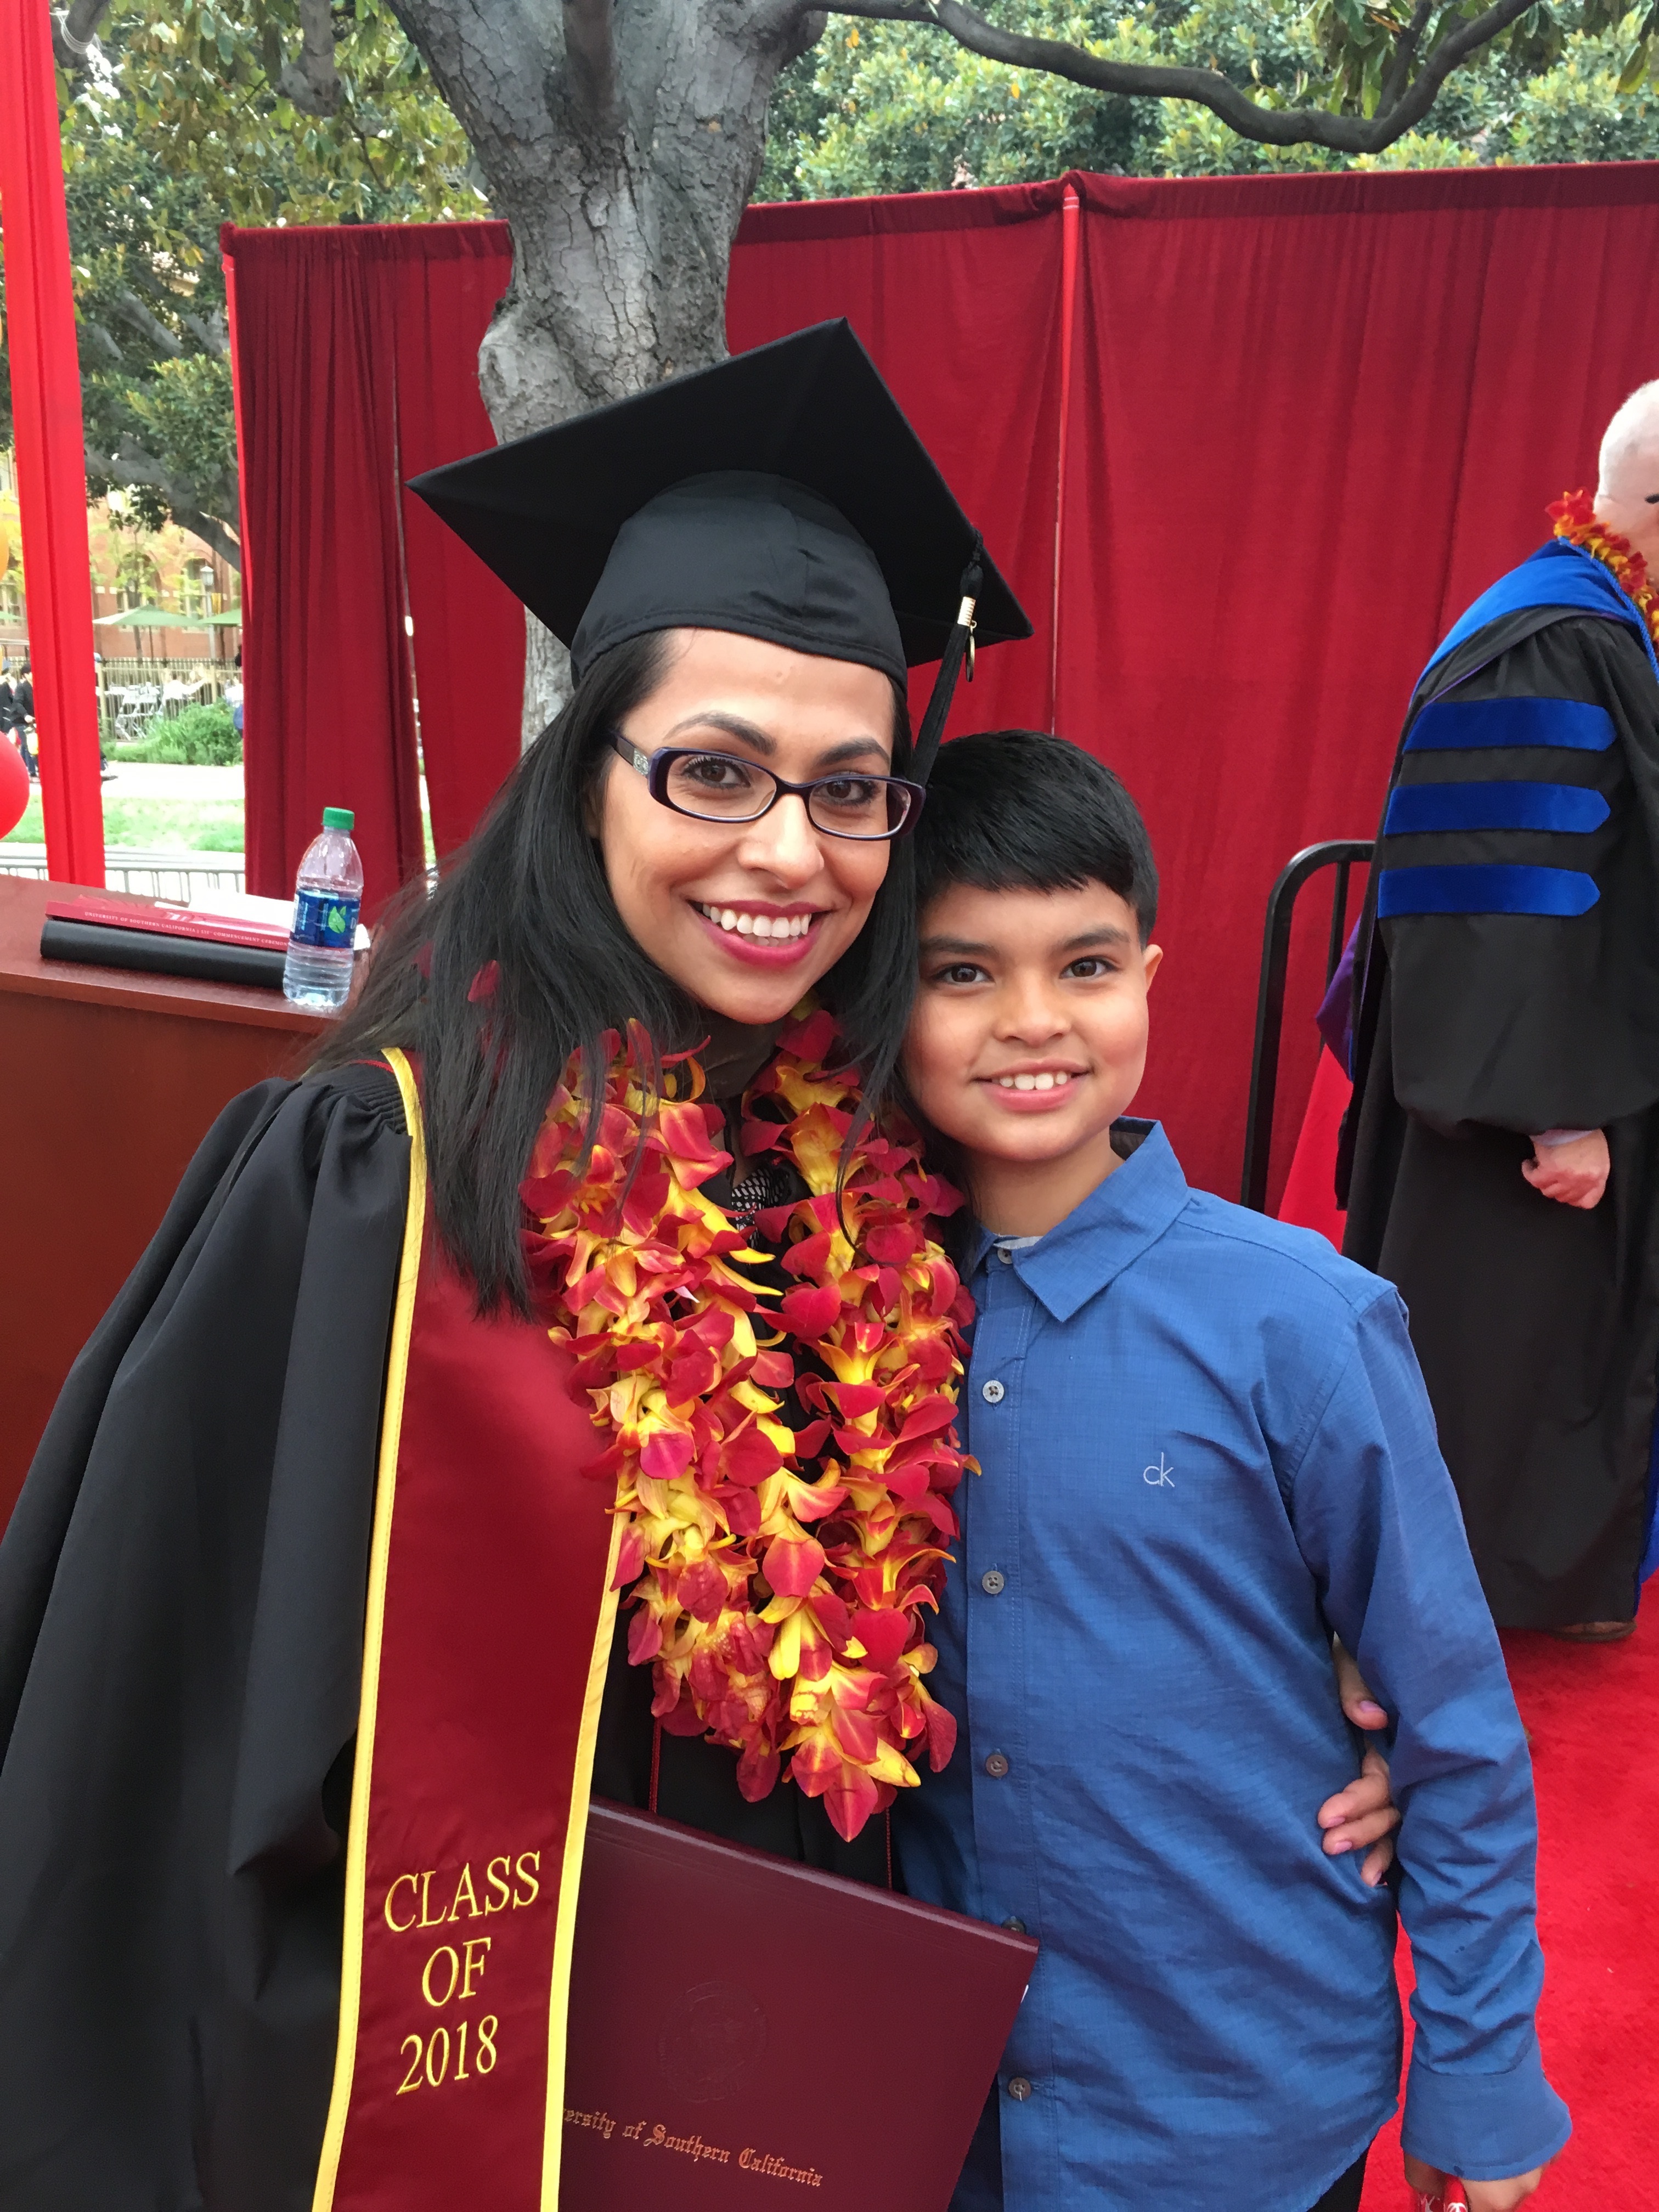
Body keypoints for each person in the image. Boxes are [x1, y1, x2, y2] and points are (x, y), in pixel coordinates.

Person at [0, 326, 1395, 2209]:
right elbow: (144, 1729)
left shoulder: (874, 1167)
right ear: (593, 776)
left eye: (851, 789)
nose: (790, 855)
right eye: (715, 772)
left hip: (802, 2088)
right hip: (441, 2077)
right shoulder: (382, 1173)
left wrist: (1304, 1681)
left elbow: (1077, 1478)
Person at [894, 731, 1570, 2212]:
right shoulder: (843, 1316)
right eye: (960, 973)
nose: (1031, 1021)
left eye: (1083, 966)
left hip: (1234, 2107)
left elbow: (1452, 1718)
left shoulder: (1301, 1322)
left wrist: (1478, 2073)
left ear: (1149, 969)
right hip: (927, 2102)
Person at [1341, 380, 1659, 1638]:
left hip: (1564, 1088)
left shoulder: (1603, 620)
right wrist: (1557, 1111)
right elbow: (1500, 895)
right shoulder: (1552, 642)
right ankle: (1433, 1623)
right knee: (1486, 1362)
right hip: (1525, 1124)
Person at [12, 663, 35, 780]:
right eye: (32, 672)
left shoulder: (36, 685)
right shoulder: (22, 687)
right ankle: (31, 772)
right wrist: (26, 715)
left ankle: (24, 771)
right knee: (28, 745)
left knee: (28, 746)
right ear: (26, 675)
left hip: (33, 720)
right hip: (21, 720)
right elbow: (18, 703)